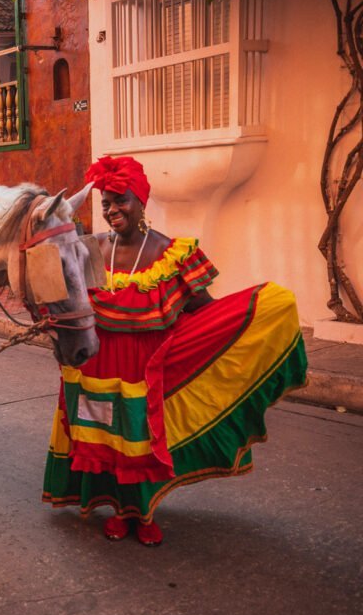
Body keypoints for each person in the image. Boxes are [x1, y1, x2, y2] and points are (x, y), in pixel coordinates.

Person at [41, 156, 308, 546]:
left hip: (146, 371)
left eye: (121, 201)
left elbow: (204, 309)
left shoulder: (169, 254)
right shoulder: (93, 249)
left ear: (141, 201)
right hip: (99, 365)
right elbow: (66, 297)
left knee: (141, 442)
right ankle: (120, 510)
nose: (113, 210)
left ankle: (143, 512)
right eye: (106, 204)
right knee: (106, 440)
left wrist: (234, 330)